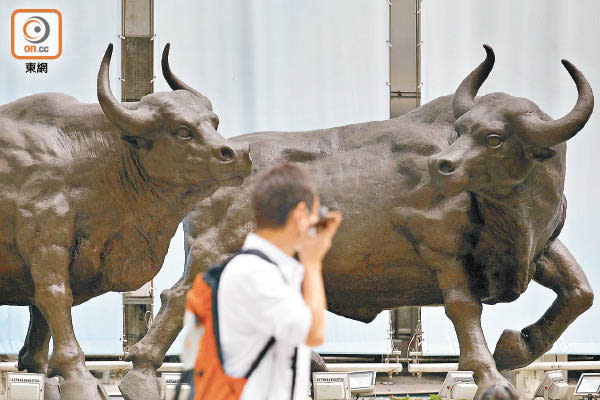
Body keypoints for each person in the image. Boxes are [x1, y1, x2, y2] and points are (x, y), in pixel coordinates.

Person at [214, 162, 342, 399]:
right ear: (300, 215)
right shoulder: (255, 274)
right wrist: (313, 262)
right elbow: (313, 332)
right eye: (315, 213)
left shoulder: (264, 270)